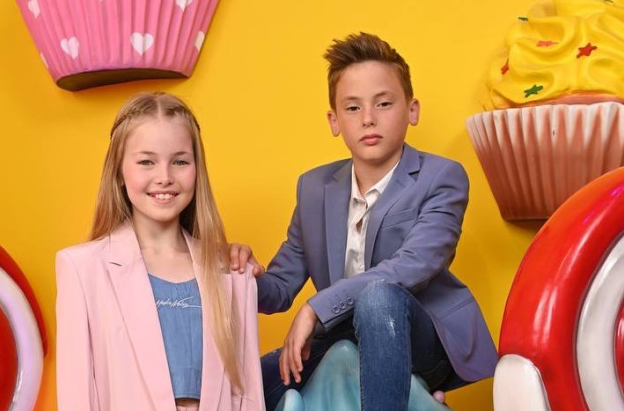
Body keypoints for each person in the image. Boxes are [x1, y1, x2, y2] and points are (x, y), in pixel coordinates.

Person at [231, 32, 498, 411]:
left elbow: (413, 265)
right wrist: (237, 273)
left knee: (378, 297)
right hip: (341, 335)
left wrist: (316, 308)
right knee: (246, 386)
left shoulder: (442, 176)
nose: (369, 119)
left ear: (412, 110)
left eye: (383, 103)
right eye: (353, 108)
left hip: (420, 339)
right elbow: (280, 287)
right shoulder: (314, 187)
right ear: (334, 120)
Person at [56, 92, 265, 411]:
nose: (165, 177)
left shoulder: (233, 273)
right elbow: (77, 398)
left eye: (180, 161)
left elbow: (248, 398)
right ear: (119, 172)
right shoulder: (82, 269)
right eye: (146, 162)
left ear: (197, 169)